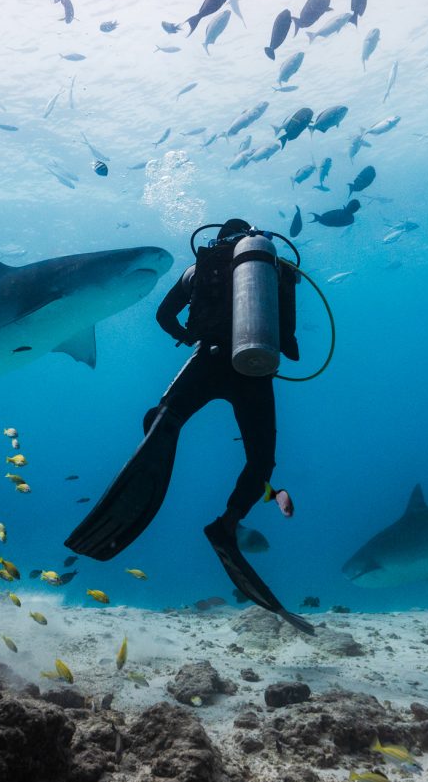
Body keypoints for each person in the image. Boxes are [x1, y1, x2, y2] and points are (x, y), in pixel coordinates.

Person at [66, 218, 313, 634]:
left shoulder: (198, 267)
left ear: (220, 240)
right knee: (261, 462)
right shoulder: (276, 270)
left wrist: (190, 336)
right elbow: (289, 340)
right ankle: (228, 525)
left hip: (208, 358)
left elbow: (164, 315)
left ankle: (158, 444)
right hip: (255, 370)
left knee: (164, 417)